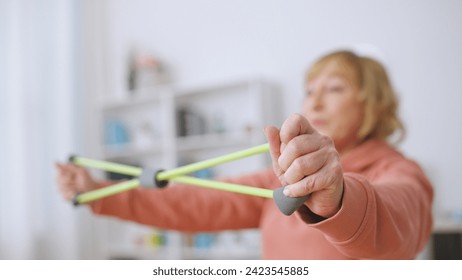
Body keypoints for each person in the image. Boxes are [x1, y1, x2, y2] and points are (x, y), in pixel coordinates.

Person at [56, 50, 433, 259]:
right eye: (309, 89)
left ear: (374, 105)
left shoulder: (398, 170)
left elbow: (400, 220)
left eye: (333, 88)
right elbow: (196, 202)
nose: (315, 99)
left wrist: (339, 200)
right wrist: (100, 191)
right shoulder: (280, 178)